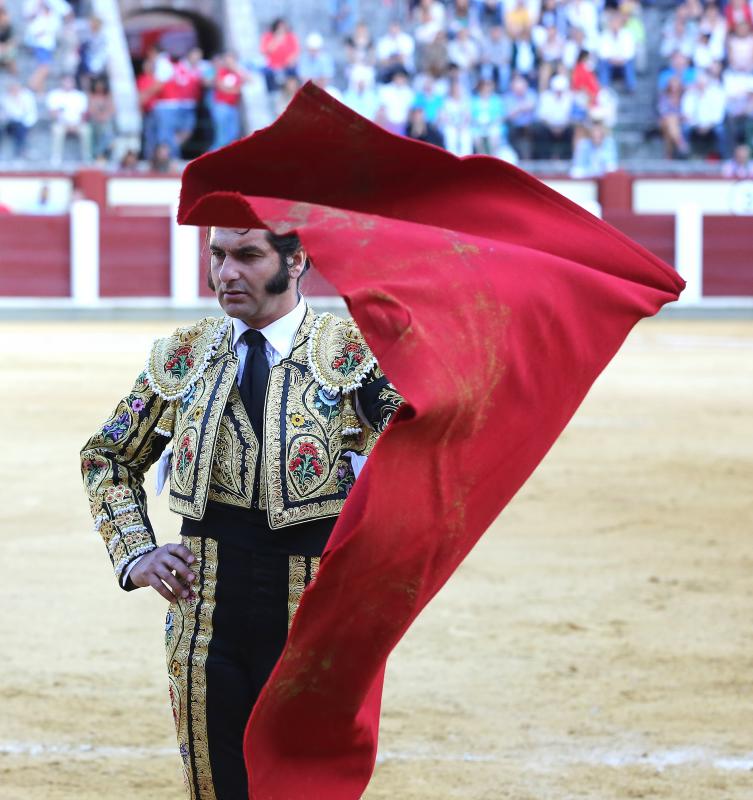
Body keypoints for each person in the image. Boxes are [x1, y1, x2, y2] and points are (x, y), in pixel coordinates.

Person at [81, 217, 402, 797]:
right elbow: (108, 457)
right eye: (217, 255)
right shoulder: (184, 356)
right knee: (216, 787)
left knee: (306, 787)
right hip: (205, 612)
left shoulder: (352, 355)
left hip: (314, 616)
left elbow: (419, 465)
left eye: (247, 256)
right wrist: (137, 553)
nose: (225, 273)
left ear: (296, 259)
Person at [47, 74, 91, 164]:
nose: (68, 84)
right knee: (57, 130)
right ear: (61, 82)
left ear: (74, 83)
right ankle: (56, 157)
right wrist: (66, 123)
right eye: (66, 81)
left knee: (86, 130)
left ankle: (87, 157)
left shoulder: (80, 96)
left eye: (70, 82)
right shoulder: (54, 95)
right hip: (61, 123)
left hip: (78, 124)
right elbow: (52, 113)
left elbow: (84, 114)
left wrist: (77, 124)